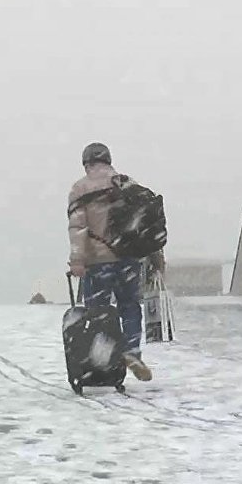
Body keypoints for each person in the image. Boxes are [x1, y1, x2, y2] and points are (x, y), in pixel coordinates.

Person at [68, 142, 163, 381]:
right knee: (130, 306)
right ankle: (132, 351)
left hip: (98, 261)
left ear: (87, 163)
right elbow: (144, 223)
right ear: (109, 161)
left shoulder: (80, 188)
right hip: (128, 259)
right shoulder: (126, 183)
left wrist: (78, 260)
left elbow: (78, 228)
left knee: (98, 313)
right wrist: (155, 255)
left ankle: (102, 361)